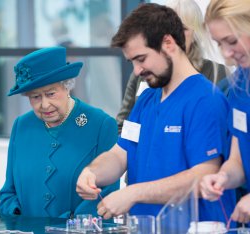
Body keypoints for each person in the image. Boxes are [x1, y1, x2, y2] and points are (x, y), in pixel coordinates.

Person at [76, 3, 235, 223]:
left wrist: (133, 193)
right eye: (132, 62)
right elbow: (120, 154)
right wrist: (92, 173)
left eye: (141, 59)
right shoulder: (147, 99)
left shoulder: (206, 100)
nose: (137, 71)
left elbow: (204, 175)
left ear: (168, 43)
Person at [0, 46, 119, 218]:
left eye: (51, 94)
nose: (45, 104)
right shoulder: (21, 126)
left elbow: (106, 194)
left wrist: (70, 227)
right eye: (35, 97)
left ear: (67, 86)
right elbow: (8, 193)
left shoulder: (100, 125)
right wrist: (20, 218)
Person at [116, 0, 229, 133]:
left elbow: (222, 130)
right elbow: (123, 126)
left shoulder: (216, 73)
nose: (173, 37)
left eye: (182, 29)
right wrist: (139, 148)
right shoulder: (144, 72)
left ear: (195, 33)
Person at [200, 0, 250, 225]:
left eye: (231, 41)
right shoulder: (240, 84)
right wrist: (223, 177)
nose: (227, 54)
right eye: (219, 44)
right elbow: (238, 161)